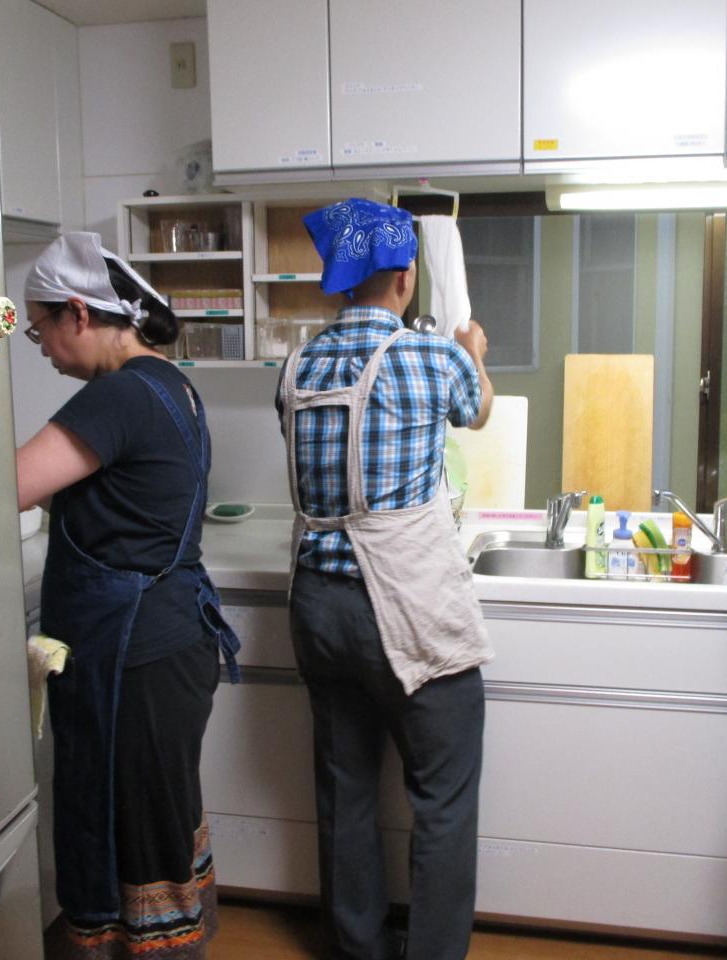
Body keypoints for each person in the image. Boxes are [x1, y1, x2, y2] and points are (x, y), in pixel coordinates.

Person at [275, 198, 495, 960]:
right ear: (405, 278)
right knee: (442, 793)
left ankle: (357, 949)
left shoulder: (296, 366)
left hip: (317, 605)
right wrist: (474, 351)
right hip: (403, 602)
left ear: (342, 281)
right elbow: (478, 411)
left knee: (346, 789)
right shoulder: (430, 357)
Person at [15, 232, 240, 960]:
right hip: (166, 646)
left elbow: (6, 487)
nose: (41, 348)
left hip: (136, 660)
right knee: (153, 832)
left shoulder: (118, 396)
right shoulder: (168, 383)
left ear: (78, 313)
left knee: (137, 837)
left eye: (40, 329)